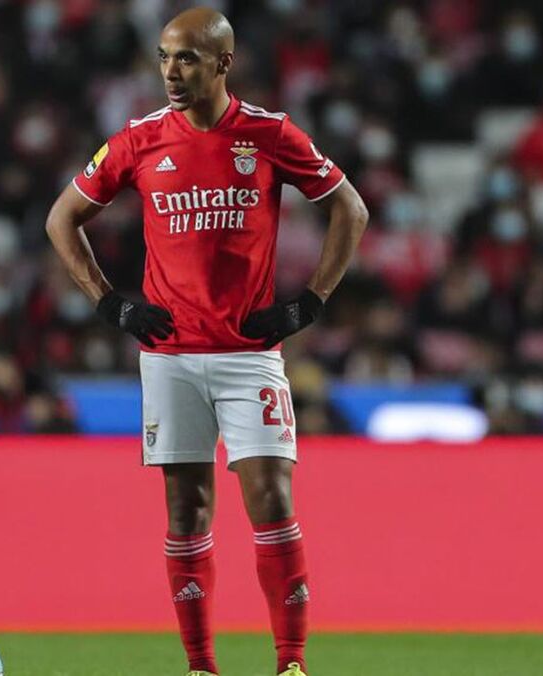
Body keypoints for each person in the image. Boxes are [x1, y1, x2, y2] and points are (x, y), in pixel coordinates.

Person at [45, 9, 368, 676]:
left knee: (271, 499)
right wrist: (110, 302)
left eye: (187, 58)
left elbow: (350, 207)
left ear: (224, 63)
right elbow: (62, 218)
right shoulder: (138, 140)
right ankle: (200, 665)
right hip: (170, 357)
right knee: (186, 509)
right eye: (165, 57)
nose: (171, 71)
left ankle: (291, 663)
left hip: (249, 355)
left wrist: (310, 302)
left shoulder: (269, 134)